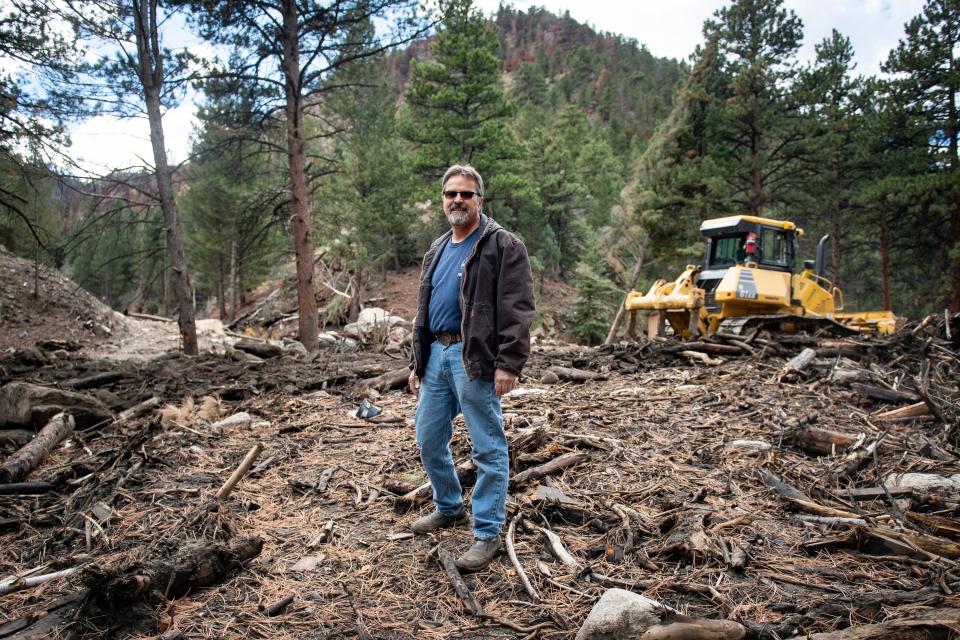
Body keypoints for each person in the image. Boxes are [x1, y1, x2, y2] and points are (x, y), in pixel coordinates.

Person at [407, 164, 535, 571]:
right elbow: (425, 310)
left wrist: (509, 363)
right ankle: (449, 506)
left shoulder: (502, 245)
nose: (457, 200)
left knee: (487, 447)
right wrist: (418, 360)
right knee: (428, 438)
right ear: (443, 200)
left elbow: (517, 308)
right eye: (450, 194)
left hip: (474, 357)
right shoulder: (438, 248)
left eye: (466, 194)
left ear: (480, 199)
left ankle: (487, 533)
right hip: (436, 356)